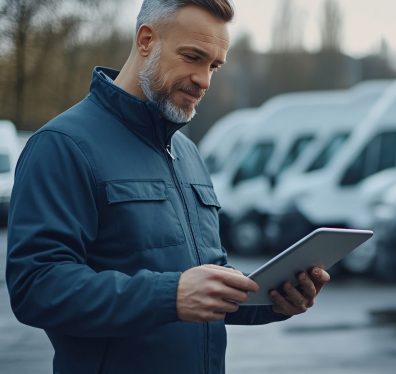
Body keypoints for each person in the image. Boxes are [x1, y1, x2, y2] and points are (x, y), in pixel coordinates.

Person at [5, 1, 330, 373]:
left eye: (214, 66)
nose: (204, 80)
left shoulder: (188, 152)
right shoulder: (63, 145)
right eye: (193, 57)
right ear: (146, 40)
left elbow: (205, 279)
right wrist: (169, 295)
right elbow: (36, 286)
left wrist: (274, 300)